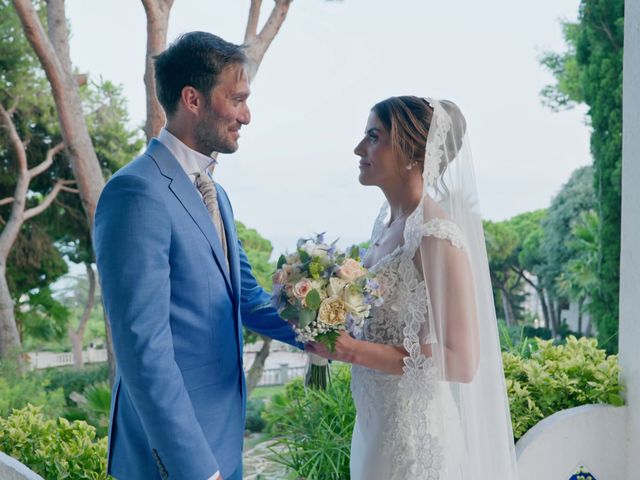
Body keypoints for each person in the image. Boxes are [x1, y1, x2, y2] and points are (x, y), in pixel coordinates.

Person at [93, 32, 301, 480]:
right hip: (171, 458)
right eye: (237, 99)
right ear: (193, 99)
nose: (246, 115)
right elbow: (143, 349)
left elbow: (246, 297)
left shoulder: (217, 195)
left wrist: (329, 332)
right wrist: (195, 468)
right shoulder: (135, 192)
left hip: (222, 440)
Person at [307, 97, 519, 479]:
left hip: (412, 440)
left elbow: (461, 360)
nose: (359, 149)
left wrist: (353, 351)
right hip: (373, 425)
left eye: (373, 137)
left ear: (410, 154)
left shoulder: (436, 236)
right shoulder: (384, 225)